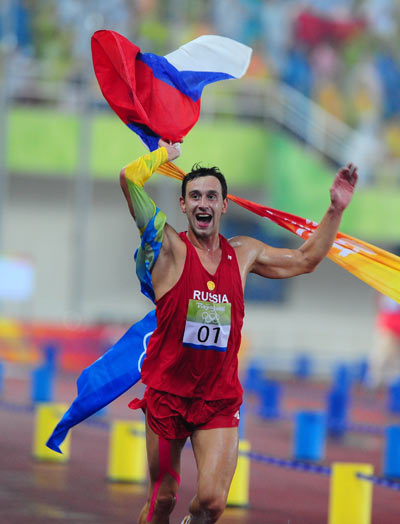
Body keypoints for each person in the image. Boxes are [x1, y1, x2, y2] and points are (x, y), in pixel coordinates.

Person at [119, 139, 358, 524]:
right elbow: (130, 179)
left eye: (212, 196)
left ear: (224, 205)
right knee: (163, 498)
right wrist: (166, 154)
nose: (203, 203)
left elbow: (306, 258)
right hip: (168, 394)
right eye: (194, 196)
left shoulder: (243, 253)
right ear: (183, 205)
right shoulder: (169, 249)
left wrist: (335, 209)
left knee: (212, 504)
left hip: (218, 397)